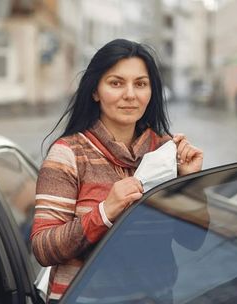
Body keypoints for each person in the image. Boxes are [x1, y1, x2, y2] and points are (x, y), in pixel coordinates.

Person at [30, 39, 203, 302]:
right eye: (116, 83)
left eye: (141, 84)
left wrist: (190, 181)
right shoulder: (69, 154)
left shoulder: (167, 152)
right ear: (95, 91)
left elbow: (193, 240)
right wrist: (105, 212)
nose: (130, 95)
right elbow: (43, 248)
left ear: (151, 92)